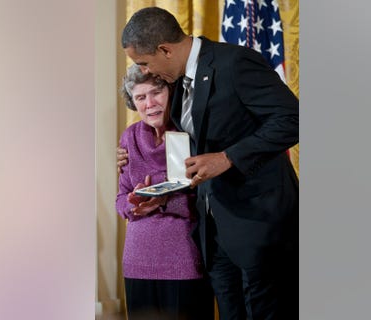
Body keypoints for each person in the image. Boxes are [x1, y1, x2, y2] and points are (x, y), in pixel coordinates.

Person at [119, 7, 300, 320]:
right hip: (214, 233)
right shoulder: (176, 82)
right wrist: (125, 155)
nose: (146, 72)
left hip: (259, 226)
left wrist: (228, 158)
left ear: (165, 49)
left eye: (145, 63)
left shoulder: (234, 62)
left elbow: (293, 118)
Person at [115, 64, 213, 320]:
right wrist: (135, 203)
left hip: (184, 258)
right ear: (133, 103)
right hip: (137, 259)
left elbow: (205, 199)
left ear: (171, 91)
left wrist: (163, 201)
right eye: (140, 97)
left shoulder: (189, 133)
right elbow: (120, 199)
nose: (150, 103)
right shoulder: (129, 137)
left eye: (156, 92)